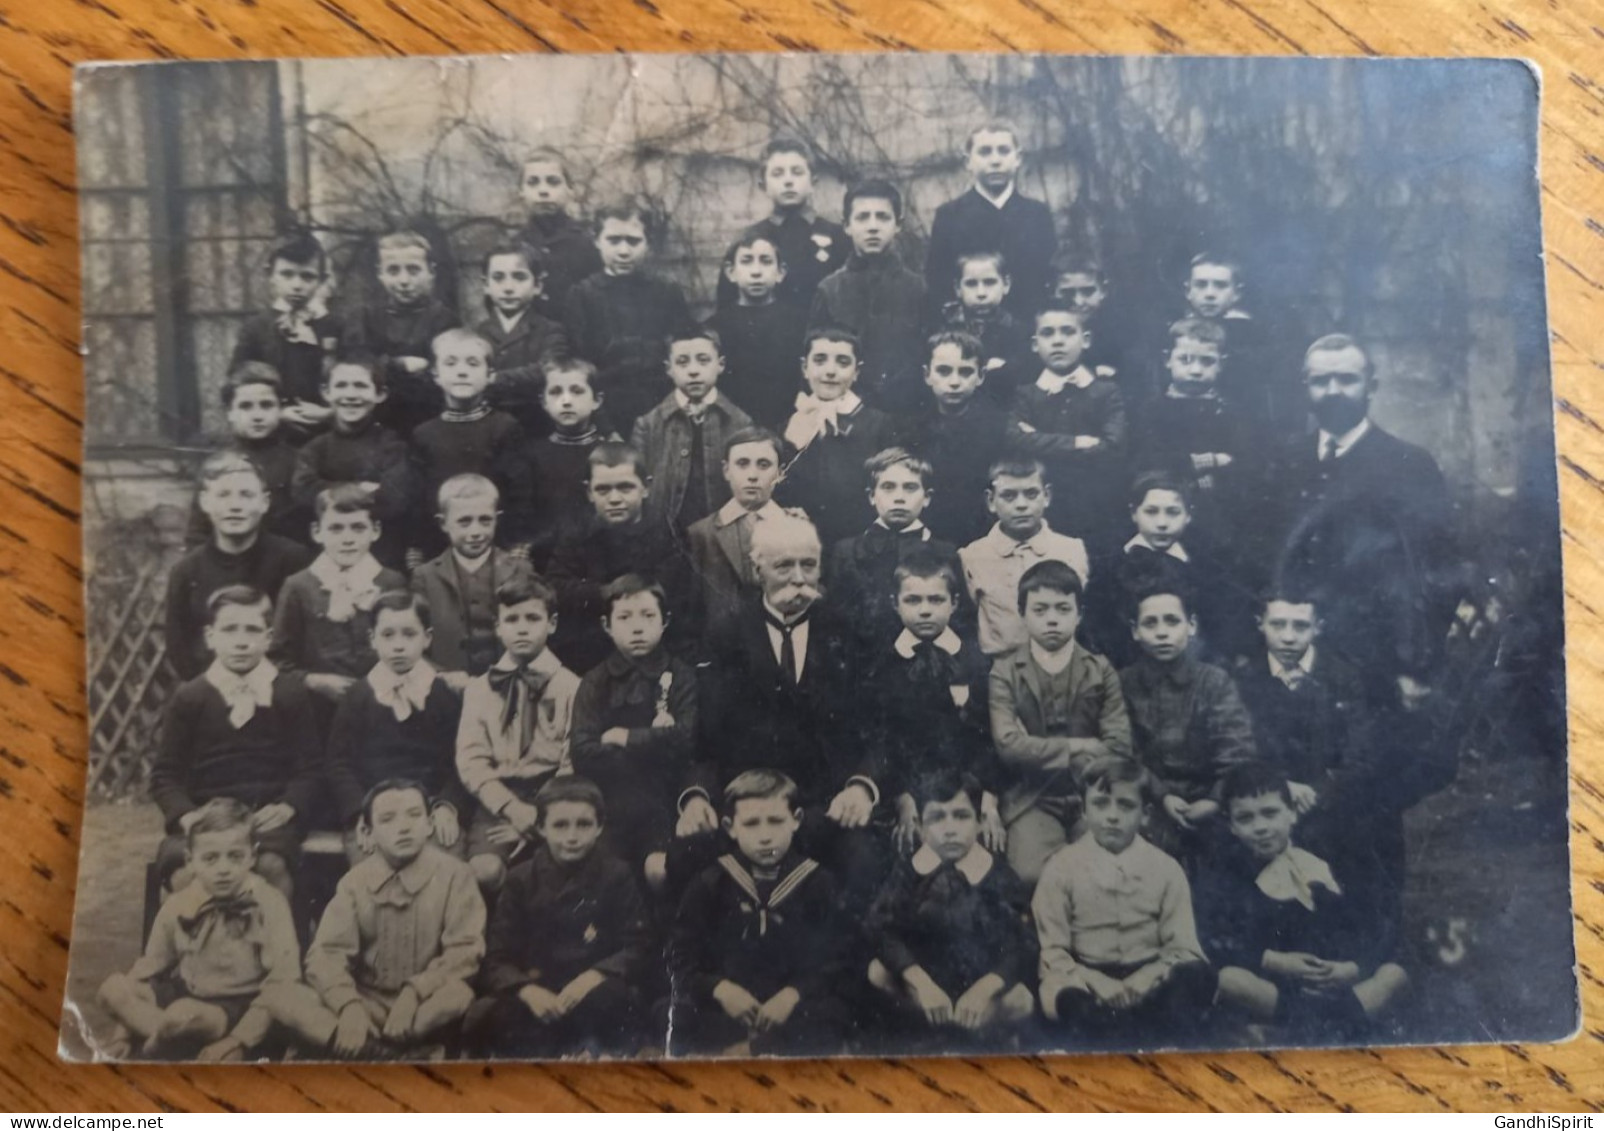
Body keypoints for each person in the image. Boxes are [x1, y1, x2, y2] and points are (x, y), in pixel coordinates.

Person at [262, 780, 485, 1059]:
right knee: (279, 997)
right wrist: (348, 1006)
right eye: (388, 819)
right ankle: (380, 1051)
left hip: (423, 1003)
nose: (403, 827)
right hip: (366, 1002)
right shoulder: (355, 882)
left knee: (458, 996)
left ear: (429, 824)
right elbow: (327, 954)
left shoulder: (456, 876)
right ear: (367, 832)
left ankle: (371, 1047)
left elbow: (464, 951)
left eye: (414, 815)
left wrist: (413, 993)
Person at [1197, 762, 1409, 1042]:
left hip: (1340, 980)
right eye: (1246, 819)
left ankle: (1300, 1031)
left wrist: (1352, 968)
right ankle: (1334, 1026)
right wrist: (1274, 961)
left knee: (1393, 974)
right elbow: (1216, 938)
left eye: (1270, 813)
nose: (1260, 827)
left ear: (1292, 814)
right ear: (1232, 826)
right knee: (1231, 980)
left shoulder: (1322, 859)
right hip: (1277, 987)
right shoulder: (1229, 872)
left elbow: (1373, 925)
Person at [98, 798, 301, 1062]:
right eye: (210, 859)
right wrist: (122, 1034)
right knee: (112, 989)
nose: (224, 869)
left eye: (235, 857)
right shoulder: (180, 903)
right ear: (190, 861)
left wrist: (237, 1040)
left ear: (252, 857)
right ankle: (165, 1037)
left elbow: (283, 982)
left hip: (238, 1006)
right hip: (187, 993)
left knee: (184, 1014)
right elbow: (149, 968)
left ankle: (163, 1042)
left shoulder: (268, 902)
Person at [149, 586, 319, 899]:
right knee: (189, 872)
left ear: (268, 638)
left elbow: (310, 768)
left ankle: (277, 946)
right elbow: (165, 776)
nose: (242, 641)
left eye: (253, 630)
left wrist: (288, 805)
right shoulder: (190, 697)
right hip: (205, 816)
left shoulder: (289, 693)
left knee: (270, 865)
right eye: (230, 630)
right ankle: (196, 946)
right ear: (210, 637)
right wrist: (187, 816)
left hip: (265, 818)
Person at [666, 769, 851, 1056]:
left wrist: (793, 994)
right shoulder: (712, 882)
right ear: (730, 827)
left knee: (830, 1015)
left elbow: (836, 956)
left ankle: (752, 1049)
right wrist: (720, 989)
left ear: (796, 821)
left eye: (775, 821)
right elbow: (682, 953)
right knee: (678, 1014)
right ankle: (751, 1047)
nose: (765, 836)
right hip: (732, 1002)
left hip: (791, 1004)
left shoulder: (818, 882)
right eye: (751, 824)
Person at [1033, 757, 1216, 1047]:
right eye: (1101, 804)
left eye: (1126, 805)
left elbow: (1183, 946)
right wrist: (1096, 981)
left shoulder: (1166, 868)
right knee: (1058, 993)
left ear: (1145, 814)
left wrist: (1147, 976)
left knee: (1196, 976)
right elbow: (1054, 952)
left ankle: (1141, 1026)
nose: (1113, 816)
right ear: (1083, 810)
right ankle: (1117, 1030)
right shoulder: (1060, 868)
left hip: (1151, 976)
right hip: (1087, 979)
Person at [467, 776, 652, 1058]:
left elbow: (638, 944)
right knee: (500, 1016)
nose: (572, 836)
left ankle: (593, 1052)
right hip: (540, 996)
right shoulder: (520, 879)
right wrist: (527, 991)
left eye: (584, 824)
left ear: (599, 827)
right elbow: (496, 958)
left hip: (592, 993)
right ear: (541, 827)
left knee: (617, 1001)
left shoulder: (616, 874)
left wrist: (594, 975)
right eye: (560, 825)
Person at [865, 770, 1036, 1046]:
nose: (950, 828)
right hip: (927, 988)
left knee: (1021, 1000)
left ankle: (978, 1037)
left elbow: (1023, 940)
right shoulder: (910, 870)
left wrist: (987, 987)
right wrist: (920, 982)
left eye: (961, 816)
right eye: (937, 818)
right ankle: (928, 1034)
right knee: (878, 972)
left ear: (981, 823)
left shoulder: (997, 873)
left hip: (978, 987)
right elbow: (879, 926)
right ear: (920, 828)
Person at [987, 560, 1131, 884]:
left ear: (1079, 614)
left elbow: (1119, 745)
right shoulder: (1005, 672)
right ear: (1022, 614)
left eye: (1063, 609)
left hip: (1092, 794)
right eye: (1040, 610)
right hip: (1033, 798)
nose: (1052, 619)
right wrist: (1080, 746)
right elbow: (1009, 745)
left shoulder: (1100, 669)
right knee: (1031, 873)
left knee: (1106, 870)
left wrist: (1039, 748)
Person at [862, 552, 998, 855]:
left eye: (936, 600)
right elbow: (883, 740)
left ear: (955, 604)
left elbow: (988, 736)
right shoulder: (882, 665)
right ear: (895, 603)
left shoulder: (975, 662)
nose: (925, 611)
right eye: (913, 600)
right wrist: (901, 797)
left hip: (967, 788)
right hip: (904, 789)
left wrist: (984, 796)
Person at [455, 575, 581, 894]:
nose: (522, 628)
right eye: (511, 619)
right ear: (497, 626)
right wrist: (512, 809)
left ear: (551, 624)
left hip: (554, 795)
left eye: (532, 618)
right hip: (499, 799)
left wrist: (538, 815)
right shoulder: (480, 689)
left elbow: (572, 758)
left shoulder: (571, 687)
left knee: (556, 871)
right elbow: (471, 762)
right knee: (483, 871)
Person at [570, 574, 699, 880]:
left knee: (660, 870)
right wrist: (655, 745)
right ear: (606, 625)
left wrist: (625, 738)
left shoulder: (681, 676)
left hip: (667, 798)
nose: (637, 627)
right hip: (611, 801)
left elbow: (687, 738)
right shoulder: (595, 681)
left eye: (648, 616)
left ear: (665, 621)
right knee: (606, 873)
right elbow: (583, 751)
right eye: (624, 618)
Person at [325, 591, 469, 862]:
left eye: (409, 634)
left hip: (430, 809)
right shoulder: (359, 696)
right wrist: (360, 813)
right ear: (373, 640)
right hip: (375, 811)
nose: (398, 646)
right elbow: (339, 764)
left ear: (427, 638)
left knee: (440, 869)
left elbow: (462, 759)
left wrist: (448, 805)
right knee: (373, 873)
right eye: (388, 635)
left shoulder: (442, 694)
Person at [1119, 587, 1256, 864]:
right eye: (1150, 623)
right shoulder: (1123, 683)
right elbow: (1123, 751)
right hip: (1148, 802)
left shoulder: (1215, 682)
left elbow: (1236, 749)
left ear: (1191, 625)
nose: (1161, 633)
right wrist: (1162, 796)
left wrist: (1215, 800)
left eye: (1172, 621)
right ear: (1135, 631)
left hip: (1210, 805)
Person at [1081, 472, 1254, 669]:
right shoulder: (1108, 567)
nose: (1162, 523)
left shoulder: (1204, 566)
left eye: (1173, 512)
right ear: (1133, 513)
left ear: (1188, 515)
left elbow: (1220, 625)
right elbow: (1097, 626)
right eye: (1151, 511)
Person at [165, 452, 311, 680]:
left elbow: (304, 640)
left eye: (246, 495)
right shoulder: (186, 572)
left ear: (264, 503)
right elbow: (180, 649)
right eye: (223, 495)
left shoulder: (293, 560)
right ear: (205, 502)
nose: (235, 506)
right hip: (213, 693)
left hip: (280, 692)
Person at [546, 443, 689, 673]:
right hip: (591, 651)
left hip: (654, 648)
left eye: (625, 488)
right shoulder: (577, 534)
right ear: (589, 492)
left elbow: (675, 591)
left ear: (645, 488)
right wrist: (602, 593)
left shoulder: (666, 533)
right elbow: (555, 585)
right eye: (603, 489)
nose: (614, 499)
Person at [269, 483, 408, 709]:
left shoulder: (391, 582)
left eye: (358, 528)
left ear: (375, 530)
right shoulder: (299, 586)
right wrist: (312, 681)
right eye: (335, 528)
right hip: (316, 709)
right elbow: (276, 659)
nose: (347, 539)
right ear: (317, 532)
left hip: (380, 706)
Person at [563, 196, 694, 433]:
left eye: (633, 241)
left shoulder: (666, 291)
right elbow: (578, 364)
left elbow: (684, 351)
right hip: (603, 410)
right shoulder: (582, 295)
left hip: (659, 406)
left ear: (648, 243)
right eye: (613, 240)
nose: (624, 251)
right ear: (597, 241)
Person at [1010, 302, 1128, 549]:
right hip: (1042, 504)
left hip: (1094, 501)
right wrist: (1078, 443)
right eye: (1047, 333)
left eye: (1067, 332)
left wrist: (1039, 439)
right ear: (1035, 344)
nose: (1057, 341)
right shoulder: (1026, 395)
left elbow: (1113, 445)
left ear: (1085, 340)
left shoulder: (1106, 392)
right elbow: (1016, 439)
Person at [825, 446, 963, 656]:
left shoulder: (945, 552)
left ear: (927, 497)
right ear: (871, 496)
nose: (899, 497)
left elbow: (958, 618)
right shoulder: (847, 551)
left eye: (910, 488)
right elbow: (834, 619)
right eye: (888, 487)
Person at [1136, 317, 1257, 546]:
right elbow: (1152, 458)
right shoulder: (1153, 409)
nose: (1195, 370)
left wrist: (1220, 472)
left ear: (1222, 363)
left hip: (1218, 513)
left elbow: (1243, 461)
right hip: (1164, 513)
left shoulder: (1230, 412)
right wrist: (1210, 461)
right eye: (1185, 359)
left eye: (1207, 362)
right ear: (1167, 360)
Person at [407, 327, 525, 562]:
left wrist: (516, 546)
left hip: (496, 546)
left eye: (472, 364)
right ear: (436, 375)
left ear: (490, 374)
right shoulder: (424, 434)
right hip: (439, 547)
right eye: (450, 364)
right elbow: (417, 500)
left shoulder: (505, 427)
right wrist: (417, 548)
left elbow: (519, 494)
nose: (462, 372)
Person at [776, 325, 899, 547]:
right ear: (805, 367)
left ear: (857, 371)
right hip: (801, 541)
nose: (830, 371)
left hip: (859, 540)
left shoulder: (879, 425)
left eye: (843, 362)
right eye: (820, 360)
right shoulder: (788, 425)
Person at [808, 179, 925, 410]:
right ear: (847, 226)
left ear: (898, 224)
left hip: (905, 411)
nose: (873, 226)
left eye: (883, 217)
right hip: (845, 414)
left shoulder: (917, 289)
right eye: (862, 217)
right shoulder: (830, 290)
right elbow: (814, 362)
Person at [924, 121, 1056, 324]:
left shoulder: (1037, 215)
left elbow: (1046, 277)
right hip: (968, 332)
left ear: (1017, 158)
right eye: (985, 152)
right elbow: (939, 282)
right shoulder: (949, 216)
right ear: (968, 161)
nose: (995, 160)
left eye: (1003, 151)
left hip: (1027, 330)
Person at [291, 356, 415, 569]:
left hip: (381, 556)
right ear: (326, 392)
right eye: (341, 385)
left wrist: (328, 489)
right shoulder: (315, 448)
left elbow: (395, 499)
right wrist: (361, 489)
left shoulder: (391, 445)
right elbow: (302, 492)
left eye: (360, 386)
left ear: (380, 394)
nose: (350, 395)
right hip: (327, 557)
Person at [958, 458, 1090, 658]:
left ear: (1046, 496)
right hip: (998, 672)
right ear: (991, 501)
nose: (1021, 505)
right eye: (1008, 496)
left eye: (1031, 494)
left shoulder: (1072, 550)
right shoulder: (971, 556)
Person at [629, 327, 755, 534]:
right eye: (682, 362)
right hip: (664, 537)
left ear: (720, 365)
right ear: (668, 368)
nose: (693, 370)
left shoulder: (740, 423)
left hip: (723, 536)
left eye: (703, 360)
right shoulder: (648, 425)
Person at [410, 474, 536, 680]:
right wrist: (440, 676)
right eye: (464, 522)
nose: (476, 531)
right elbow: (413, 643)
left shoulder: (520, 570)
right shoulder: (425, 577)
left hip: (509, 687)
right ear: (443, 523)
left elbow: (535, 634)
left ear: (497, 519)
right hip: (448, 689)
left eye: (485, 520)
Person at [341, 230, 460, 435]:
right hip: (374, 423)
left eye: (414, 270)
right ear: (380, 273)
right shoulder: (364, 317)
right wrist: (400, 364)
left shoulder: (444, 320)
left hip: (428, 420)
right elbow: (357, 367)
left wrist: (383, 365)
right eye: (393, 271)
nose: (404, 280)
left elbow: (444, 374)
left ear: (431, 272)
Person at [684, 428, 799, 640]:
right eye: (742, 464)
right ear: (726, 470)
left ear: (781, 473)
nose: (752, 475)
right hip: (723, 655)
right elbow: (692, 612)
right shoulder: (700, 534)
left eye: (764, 465)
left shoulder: (797, 528)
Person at [902, 330, 1014, 547]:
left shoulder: (998, 429)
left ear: (980, 376)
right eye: (943, 371)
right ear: (927, 375)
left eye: (965, 372)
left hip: (983, 535)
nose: (954, 382)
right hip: (927, 536)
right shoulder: (911, 430)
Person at [713, 138, 849, 312]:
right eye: (777, 173)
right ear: (764, 186)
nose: (788, 181)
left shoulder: (838, 237)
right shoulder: (750, 239)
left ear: (813, 182)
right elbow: (727, 306)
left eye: (797, 172)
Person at [228, 232, 340, 438]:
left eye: (307, 276)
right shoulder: (256, 328)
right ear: (271, 276)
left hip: (329, 431)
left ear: (322, 279)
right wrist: (277, 412)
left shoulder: (336, 325)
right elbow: (235, 383)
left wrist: (330, 412)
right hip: (274, 433)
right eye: (287, 274)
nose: (297, 285)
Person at [506, 358, 616, 566]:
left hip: (599, 557)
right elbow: (523, 518)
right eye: (555, 392)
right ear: (544, 403)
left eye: (577, 391)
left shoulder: (608, 453)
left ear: (597, 400)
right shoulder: (531, 455)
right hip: (544, 557)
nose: (566, 401)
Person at [185, 364, 307, 548]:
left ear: (280, 409)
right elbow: (198, 534)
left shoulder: (299, 462)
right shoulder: (216, 466)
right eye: (245, 407)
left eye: (266, 405)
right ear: (230, 413)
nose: (257, 416)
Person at [704, 232, 812, 429]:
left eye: (765, 261)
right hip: (732, 428)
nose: (756, 271)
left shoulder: (801, 323)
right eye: (746, 261)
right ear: (731, 272)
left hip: (790, 427)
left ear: (781, 272)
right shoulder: (714, 327)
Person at [474, 239, 569, 430]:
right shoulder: (476, 334)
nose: (508, 287)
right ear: (486, 285)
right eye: (498, 277)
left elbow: (547, 370)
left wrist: (492, 379)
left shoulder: (550, 330)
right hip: (487, 426)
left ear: (537, 285)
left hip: (535, 425)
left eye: (519, 277)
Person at [933, 250, 1034, 408]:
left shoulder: (1019, 332)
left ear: (1006, 284)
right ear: (958, 288)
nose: (981, 293)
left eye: (989, 282)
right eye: (971, 284)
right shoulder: (943, 328)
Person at [513, 148, 603, 315]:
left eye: (553, 182)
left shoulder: (587, 243)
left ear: (570, 190)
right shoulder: (514, 246)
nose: (543, 191)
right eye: (533, 182)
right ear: (521, 192)